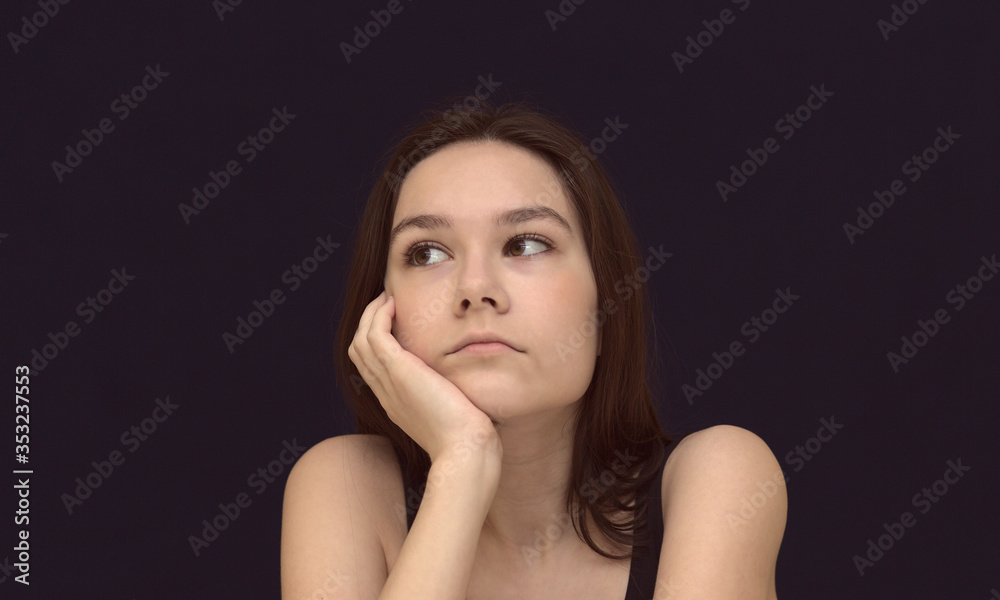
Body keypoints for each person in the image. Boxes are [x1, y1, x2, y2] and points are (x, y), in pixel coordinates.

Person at [280, 97, 787, 599]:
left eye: (525, 243)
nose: (474, 287)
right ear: (381, 314)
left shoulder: (718, 476)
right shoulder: (345, 486)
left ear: (607, 307)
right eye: (427, 252)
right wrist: (462, 465)